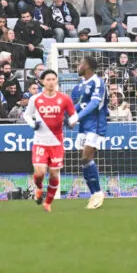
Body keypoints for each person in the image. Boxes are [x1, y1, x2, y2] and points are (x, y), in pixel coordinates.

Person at [24, 68, 76, 212]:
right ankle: (39, 188)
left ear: (57, 81)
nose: (51, 82)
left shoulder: (64, 98)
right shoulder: (35, 99)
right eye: (48, 80)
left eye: (53, 79)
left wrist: (70, 122)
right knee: (40, 173)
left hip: (57, 144)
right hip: (40, 141)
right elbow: (26, 115)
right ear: (42, 82)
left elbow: (74, 115)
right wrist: (33, 124)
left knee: (54, 174)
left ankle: (48, 202)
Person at [72, 56, 109, 211]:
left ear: (86, 66)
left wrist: (76, 116)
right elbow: (78, 104)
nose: (77, 65)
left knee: (87, 156)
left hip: (96, 125)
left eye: (80, 63)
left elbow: (94, 104)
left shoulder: (98, 82)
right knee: (84, 160)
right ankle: (94, 193)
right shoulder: (80, 86)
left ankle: (98, 192)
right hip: (84, 127)